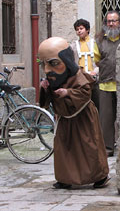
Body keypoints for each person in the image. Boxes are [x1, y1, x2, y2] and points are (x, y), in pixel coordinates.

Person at [38, 37, 109, 189]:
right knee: (64, 149)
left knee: (89, 147)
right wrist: (45, 88)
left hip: (83, 118)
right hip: (65, 119)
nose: (47, 69)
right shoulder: (53, 78)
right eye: (44, 64)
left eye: (53, 63)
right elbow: (45, 102)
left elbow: (85, 92)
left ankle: (99, 176)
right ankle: (65, 179)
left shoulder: (78, 75)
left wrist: (68, 92)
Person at [94, 11, 120, 157]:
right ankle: (108, 148)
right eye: (108, 21)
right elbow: (97, 60)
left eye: (114, 21)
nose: (111, 24)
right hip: (106, 84)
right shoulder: (99, 40)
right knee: (106, 119)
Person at [70, 18, 100, 111]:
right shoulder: (73, 46)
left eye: (81, 28)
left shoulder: (95, 43)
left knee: (96, 104)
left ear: (87, 30)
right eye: (77, 29)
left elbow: (101, 60)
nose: (79, 31)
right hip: (80, 81)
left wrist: (95, 72)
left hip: (94, 79)